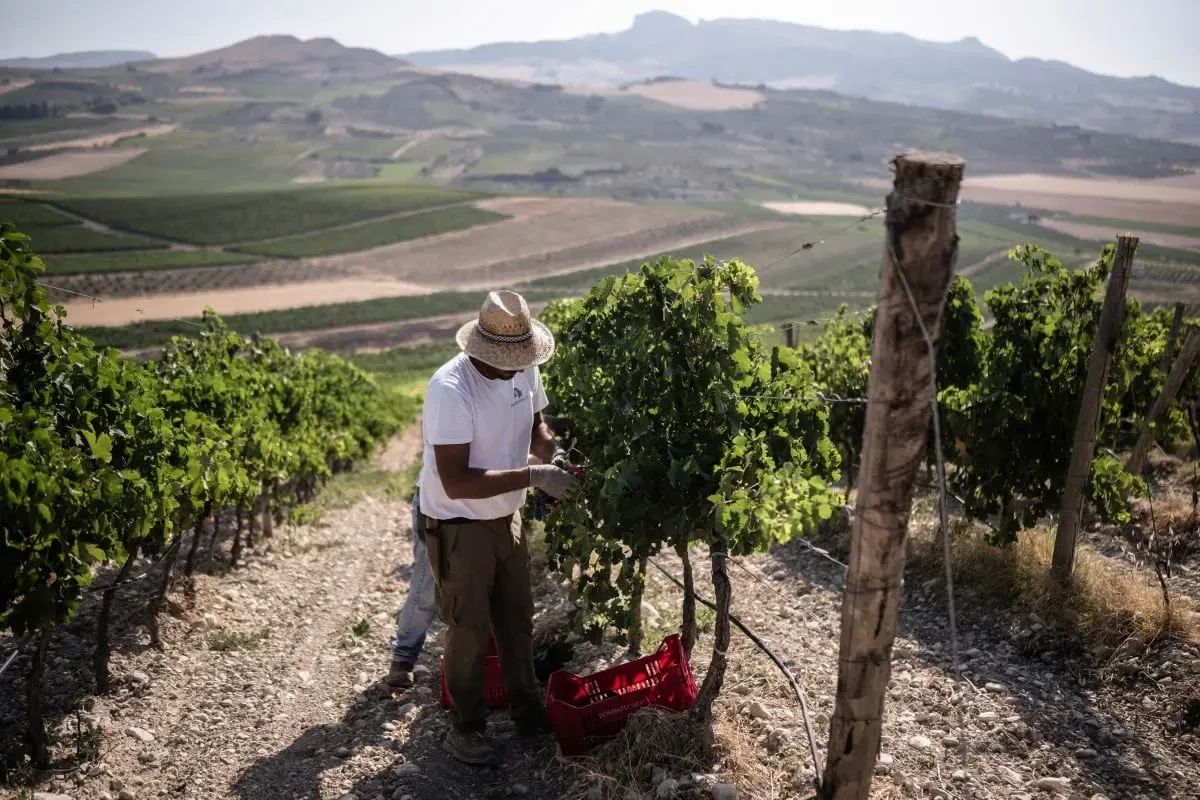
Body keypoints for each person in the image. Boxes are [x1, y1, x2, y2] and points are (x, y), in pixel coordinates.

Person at [416, 289, 578, 765]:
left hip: (507, 517)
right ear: (482, 351)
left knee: (516, 620)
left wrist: (554, 455)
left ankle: (528, 712)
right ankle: (465, 727)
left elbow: (536, 426)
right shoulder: (450, 390)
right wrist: (533, 475)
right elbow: (457, 480)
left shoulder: (524, 364)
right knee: (468, 628)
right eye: (505, 359)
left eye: (519, 358)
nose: (515, 366)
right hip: (459, 523)